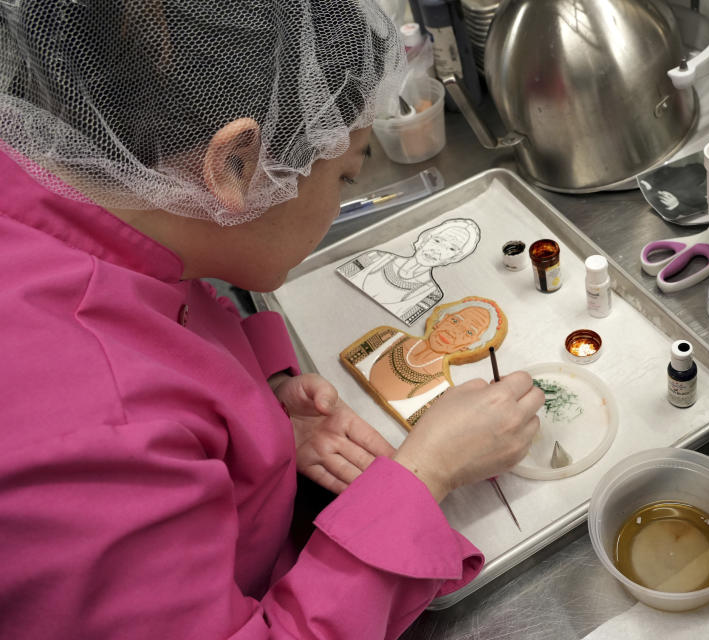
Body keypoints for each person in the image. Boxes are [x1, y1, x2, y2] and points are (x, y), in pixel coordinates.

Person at [0, 2, 543, 640]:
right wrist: (428, 473)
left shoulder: (66, 176)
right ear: (233, 166)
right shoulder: (99, 444)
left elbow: (162, 312)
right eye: (345, 175)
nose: (342, 195)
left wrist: (259, 402)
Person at [341, 297, 506, 428]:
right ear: (442, 319)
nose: (453, 331)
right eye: (455, 321)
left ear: (470, 345)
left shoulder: (441, 396)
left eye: (468, 332)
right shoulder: (383, 338)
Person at [337, 218, 482, 325]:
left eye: (451, 249)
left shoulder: (431, 295)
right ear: (425, 239)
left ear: (454, 258)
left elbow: (391, 325)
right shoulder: (374, 257)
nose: (437, 250)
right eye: (437, 241)